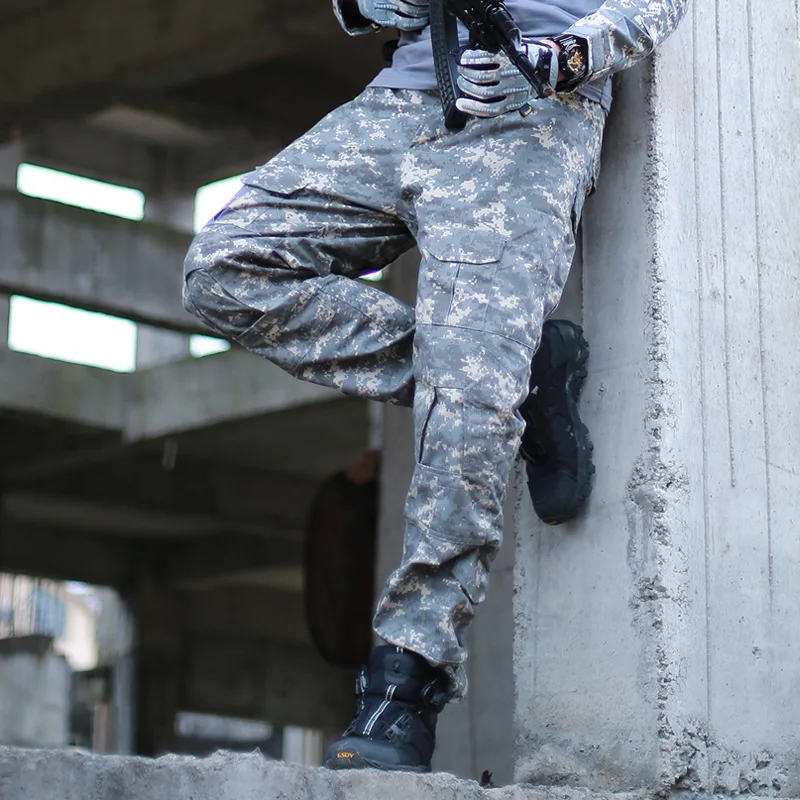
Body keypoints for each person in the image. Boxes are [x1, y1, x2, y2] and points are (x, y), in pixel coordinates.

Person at [182, 0, 688, 773]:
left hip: (533, 118)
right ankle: (513, 377)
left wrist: (565, 57)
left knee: (469, 404)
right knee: (225, 269)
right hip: (403, 99)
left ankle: (405, 682)